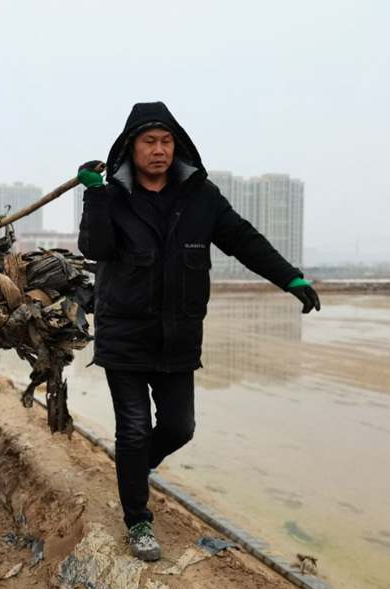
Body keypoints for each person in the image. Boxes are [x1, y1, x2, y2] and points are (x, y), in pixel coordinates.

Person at [77, 102, 320, 562]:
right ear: (130, 147)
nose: (159, 150)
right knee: (133, 430)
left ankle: (134, 469)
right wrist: (95, 197)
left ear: (178, 146)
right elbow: (96, 247)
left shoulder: (200, 196)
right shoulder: (114, 196)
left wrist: (289, 277)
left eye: (166, 141)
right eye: (149, 141)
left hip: (178, 338)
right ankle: (138, 520)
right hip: (125, 337)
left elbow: (243, 239)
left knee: (179, 427)